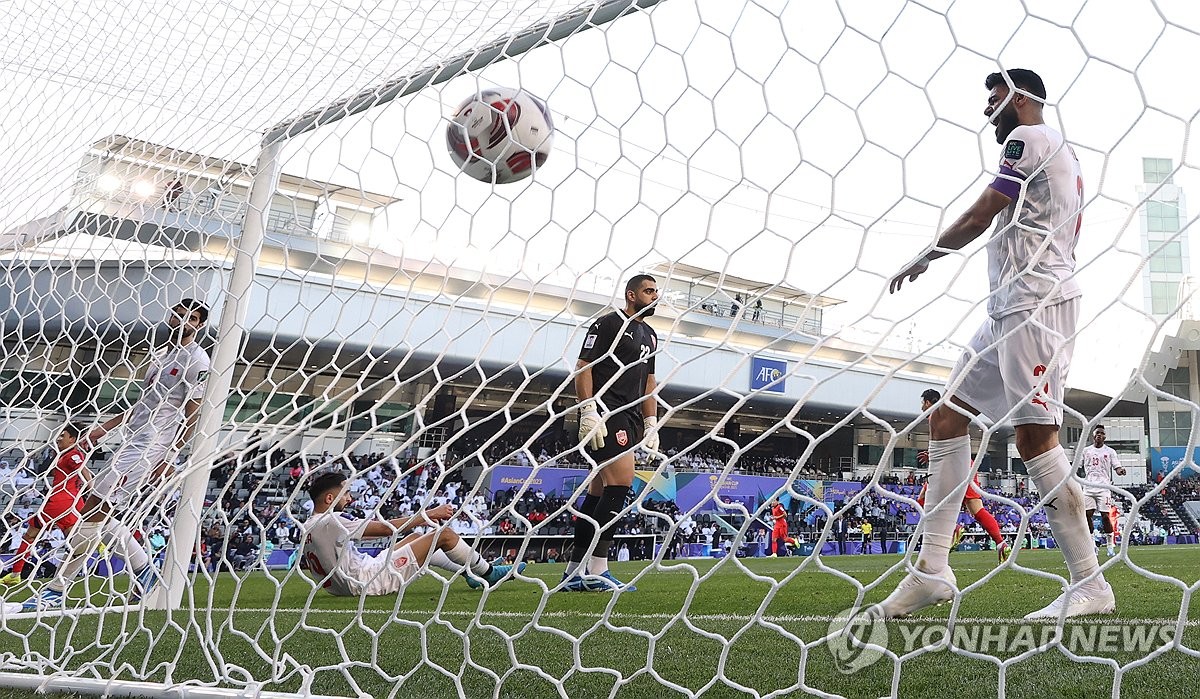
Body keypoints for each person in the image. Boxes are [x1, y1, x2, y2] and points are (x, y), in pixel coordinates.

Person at [878, 69, 1112, 620]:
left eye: (996, 96)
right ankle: (932, 570)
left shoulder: (1029, 137)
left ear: (1024, 97)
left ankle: (1090, 582)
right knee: (946, 419)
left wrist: (927, 253)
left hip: (1037, 306)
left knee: (1035, 439)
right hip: (1007, 307)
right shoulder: (1058, 150)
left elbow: (984, 212)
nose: (989, 108)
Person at [21, 299, 213, 611]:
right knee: (98, 514)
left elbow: (193, 412)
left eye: (191, 318)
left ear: (200, 325)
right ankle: (144, 572)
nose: (182, 321)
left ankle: (58, 587)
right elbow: (143, 405)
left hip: (150, 447)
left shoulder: (197, 360)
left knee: (93, 512)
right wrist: (104, 428)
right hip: (131, 441)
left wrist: (171, 454)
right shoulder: (162, 356)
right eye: (178, 314)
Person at [564, 274, 659, 592]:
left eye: (656, 290)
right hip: (605, 413)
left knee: (597, 492)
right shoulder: (607, 324)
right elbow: (583, 365)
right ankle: (598, 569)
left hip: (630, 417)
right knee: (620, 484)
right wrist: (587, 409)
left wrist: (651, 421)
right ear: (631, 295)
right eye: (649, 291)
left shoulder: (651, 334)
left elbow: (649, 382)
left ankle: (574, 572)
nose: (654, 295)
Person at [299, 471, 522, 597]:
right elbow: (387, 529)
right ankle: (489, 572)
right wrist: (430, 514)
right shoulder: (333, 520)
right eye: (345, 493)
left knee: (416, 539)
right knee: (444, 535)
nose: (349, 498)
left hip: (341, 586)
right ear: (329, 499)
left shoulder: (309, 524)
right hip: (365, 582)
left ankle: (470, 573)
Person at [915, 389, 1012, 562]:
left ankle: (953, 528)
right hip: (967, 463)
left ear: (928, 402)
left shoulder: (934, 417)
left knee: (923, 500)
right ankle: (1000, 543)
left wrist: (933, 456)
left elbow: (943, 445)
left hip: (951, 464)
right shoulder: (949, 410)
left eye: (923, 403)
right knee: (976, 508)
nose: (922, 407)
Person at [0, 423, 91, 586]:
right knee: (74, 539)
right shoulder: (64, 454)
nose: (59, 438)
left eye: (63, 435)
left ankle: (16, 573)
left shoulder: (73, 454)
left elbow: (81, 467)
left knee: (30, 535)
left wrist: (92, 486)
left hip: (58, 503)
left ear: (72, 439)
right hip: (70, 503)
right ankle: (94, 552)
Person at [1080, 426, 1126, 557]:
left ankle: (1110, 545)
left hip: (1104, 488)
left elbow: (1117, 467)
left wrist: (1120, 471)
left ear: (1105, 437)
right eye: (1097, 433)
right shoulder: (1086, 451)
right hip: (1088, 487)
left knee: (1105, 517)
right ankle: (1092, 545)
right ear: (1093, 436)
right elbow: (1077, 465)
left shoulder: (1110, 451)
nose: (1100, 435)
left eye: (1102, 433)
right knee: (1087, 515)